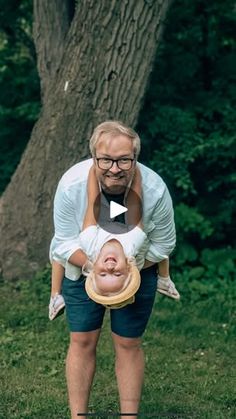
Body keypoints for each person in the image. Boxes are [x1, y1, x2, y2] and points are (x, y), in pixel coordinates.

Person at [50, 120, 177, 419]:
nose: (114, 168)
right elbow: (64, 244)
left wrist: (130, 272)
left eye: (123, 160)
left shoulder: (156, 191)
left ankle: (128, 417)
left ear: (135, 158)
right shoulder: (71, 186)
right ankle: (78, 416)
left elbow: (164, 245)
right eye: (105, 160)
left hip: (137, 267)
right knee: (81, 339)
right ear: (93, 157)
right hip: (85, 266)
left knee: (129, 342)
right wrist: (94, 268)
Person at [49, 166, 179, 320]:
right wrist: (135, 173)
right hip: (127, 230)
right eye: (117, 273)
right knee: (159, 250)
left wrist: (93, 171)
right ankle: (164, 279)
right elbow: (134, 204)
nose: (109, 267)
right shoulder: (132, 244)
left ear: (93, 269)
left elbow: (93, 203)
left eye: (103, 273)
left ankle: (55, 296)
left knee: (60, 255)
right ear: (128, 268)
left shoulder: (89, 244)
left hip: (104, 219)